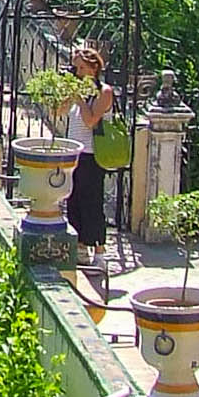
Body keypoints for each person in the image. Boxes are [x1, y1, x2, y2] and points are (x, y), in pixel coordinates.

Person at [65, 43, 117, 266]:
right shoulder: (78, 90)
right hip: (73, 153)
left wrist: (79, 99)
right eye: (76, 68)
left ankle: (100, 252)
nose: (78, 73)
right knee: (73, 201)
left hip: (91, 154)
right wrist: (65, 94)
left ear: (94, 68)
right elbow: (59, 111)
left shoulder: (104, 92)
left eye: (82, 68)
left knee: (91, 203)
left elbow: (91, 121)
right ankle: (80, 247)